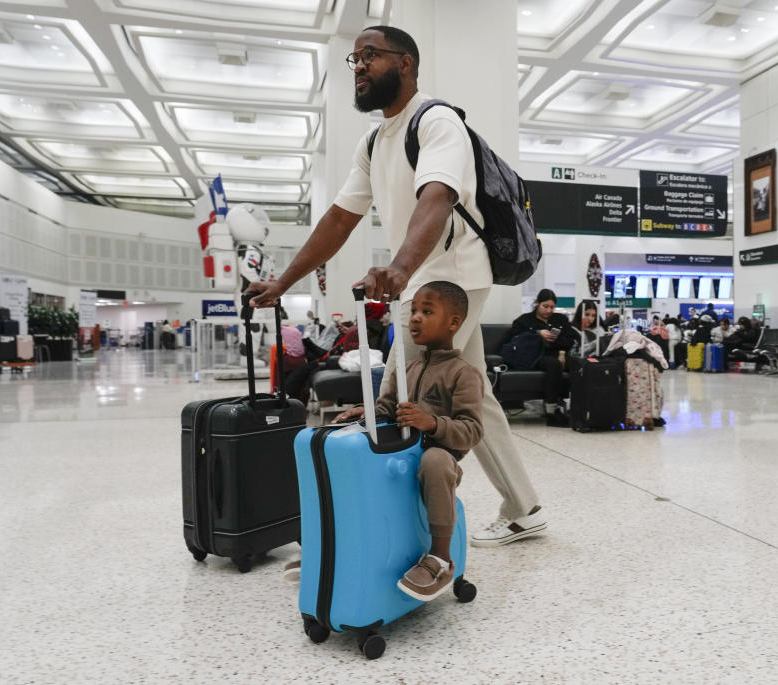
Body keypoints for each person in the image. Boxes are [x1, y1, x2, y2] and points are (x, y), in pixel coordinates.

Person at [246, 25, 545, 547]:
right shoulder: (374, 140)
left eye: (370, 56)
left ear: (405, 64)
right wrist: (284, 283)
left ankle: (388, 528)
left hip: (451, 277)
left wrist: (403, 269)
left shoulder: (436, 121)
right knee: (474, 393)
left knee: (398, 389)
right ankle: (524, 508)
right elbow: (340, 218)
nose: (359, 67)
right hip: (422, 278)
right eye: (354, 60)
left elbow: (438, 197)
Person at [333, 282, 483, 600]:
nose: (415, 318)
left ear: (454, 323)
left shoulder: (463, 373)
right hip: (401, 454)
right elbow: (388, 408)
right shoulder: (409, 368)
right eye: (413, 311)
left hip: (439, 460)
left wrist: (431, 423)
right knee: (353, 453)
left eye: (427, 312)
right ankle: (337, 547)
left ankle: (441, 557)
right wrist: (366, 413)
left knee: (435, 459)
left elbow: (472, 430)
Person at [504, 289, 577, 426]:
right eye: (545, 306)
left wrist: (561, 350)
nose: (549, 310)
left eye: (552, 307)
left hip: (559, 354)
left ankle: (580, 407)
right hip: (535, 356)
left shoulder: (560, 319)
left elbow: (570, 339)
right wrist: (537, 333)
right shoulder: (525, 320)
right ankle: (551, 410)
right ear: (537, 304)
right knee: (553, 365)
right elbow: (512, 337)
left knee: (578, 364)